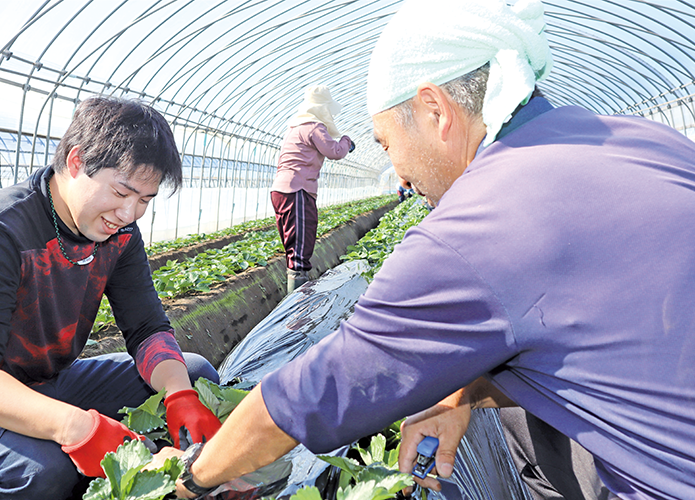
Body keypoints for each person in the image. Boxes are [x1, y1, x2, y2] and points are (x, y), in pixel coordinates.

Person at [147, 0, 695, 498]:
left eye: (388, 144)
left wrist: (193, 480)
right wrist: (460, 397)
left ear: (435, 110)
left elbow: (322, 389)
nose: (401, 175)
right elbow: (598, 344)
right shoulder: (649, 141)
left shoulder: (483, 222)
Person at [0, 96, 223, 499]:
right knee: (41, 470)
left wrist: (179, 395)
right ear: (76, 162)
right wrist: (76, 427)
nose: (129, 213)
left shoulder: (119, 234)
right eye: (122, 192)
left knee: (192, 373)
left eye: (144, 200)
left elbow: (146, 328)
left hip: (48, 383)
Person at [270, 85, 355, 294]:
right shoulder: (313, 126)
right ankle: (297, 306)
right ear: (322, 108)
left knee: (296, 242)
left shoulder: (294, 127)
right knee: (300, 247)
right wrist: (347, 141)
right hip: (296, 189)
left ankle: (297, 300)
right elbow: (334, 151)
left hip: (283, 189)